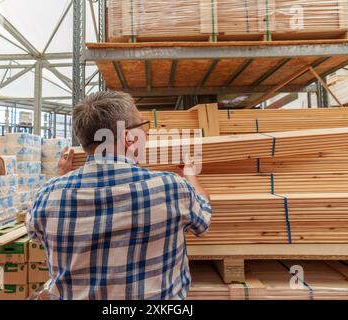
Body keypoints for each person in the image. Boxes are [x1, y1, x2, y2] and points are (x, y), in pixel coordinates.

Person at [27, 91, 212, 300]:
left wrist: (59, 177)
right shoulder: (172, 188)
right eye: (143, 126)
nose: (148, 134)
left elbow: (35, 235)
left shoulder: (47, 195)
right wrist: (191, 176)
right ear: (129, 137)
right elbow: (203, 219)